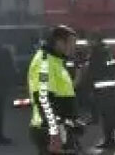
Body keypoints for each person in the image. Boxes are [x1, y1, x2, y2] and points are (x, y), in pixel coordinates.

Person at [28, 25, 80, 155]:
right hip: (51, 130)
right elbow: (43, 98)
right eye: (71, 43)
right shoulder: (44, 63)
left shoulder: (56, 61)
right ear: (59, 42)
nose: (73, 47)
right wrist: (54, 132)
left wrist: (72, 121)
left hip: (61, 128)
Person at [87, 33, 115, 150]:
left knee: (109, 116)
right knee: (111, 115)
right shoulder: (106, 50)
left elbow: (93, 71)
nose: (88, 42)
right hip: (110, 87)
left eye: (90, 40)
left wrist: (90, 87)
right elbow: (114, 66)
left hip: (103, 88)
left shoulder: (97, 52)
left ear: (95, 40)